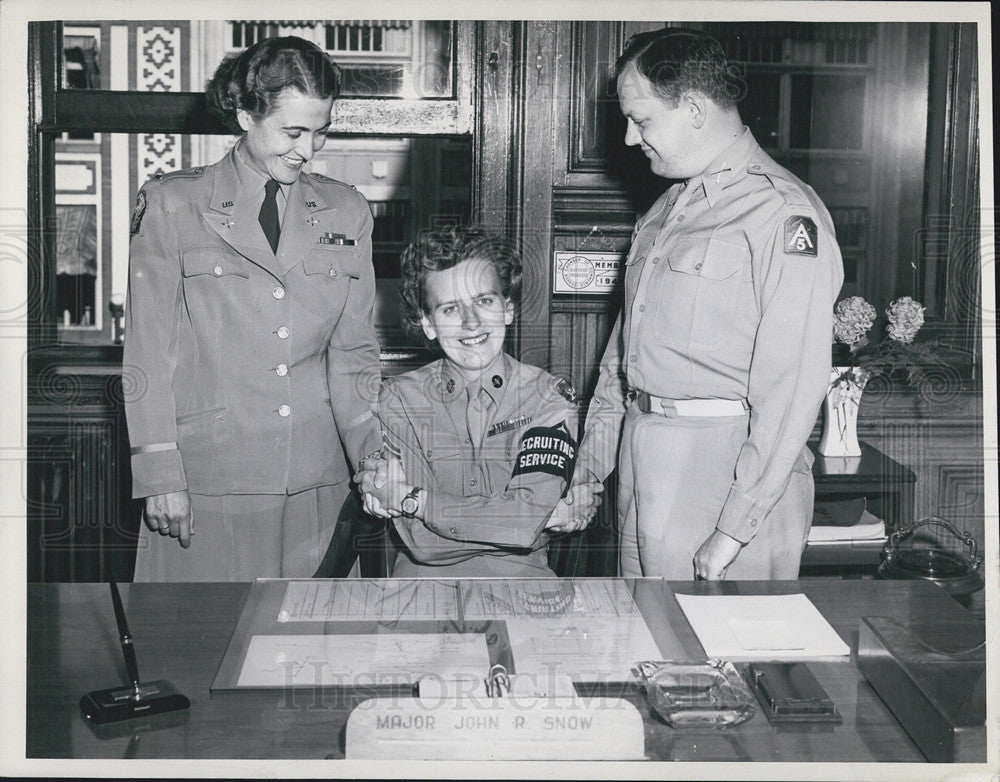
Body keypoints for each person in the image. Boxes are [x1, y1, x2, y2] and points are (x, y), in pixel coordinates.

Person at [561, 28, 844, 580]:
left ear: (693, 108)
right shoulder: (668, 208)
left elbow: (792, 389)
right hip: (644, 464)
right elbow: (623, 365)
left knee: (725, 662)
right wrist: (590, 471)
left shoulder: (781, 215)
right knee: (649, 653)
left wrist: (734, 528)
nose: (627, 138)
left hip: (725, 481)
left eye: (640, 120)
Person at [124, 36, 382, 580]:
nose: (309, 151)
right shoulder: (173, 203)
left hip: (318, 485)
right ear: (245, 113)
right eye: (293, 132)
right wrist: (159, 472)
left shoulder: (347, 209)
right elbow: (147, 352)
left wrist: (373, 461)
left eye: (321, 131)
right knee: (196, 655)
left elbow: (354, 355)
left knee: (314, 657)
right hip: (208, 482)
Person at [354, 226, 600, 577]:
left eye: (484, 301)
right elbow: (423, 543)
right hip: (422, 587)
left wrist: (416, 501)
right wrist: (546, 516)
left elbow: (525, 520)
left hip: (522, 584)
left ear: (508, 309)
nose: (472, 323)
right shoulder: (401, 400)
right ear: (428, 324)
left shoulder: (547, 397)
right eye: (451, 309)